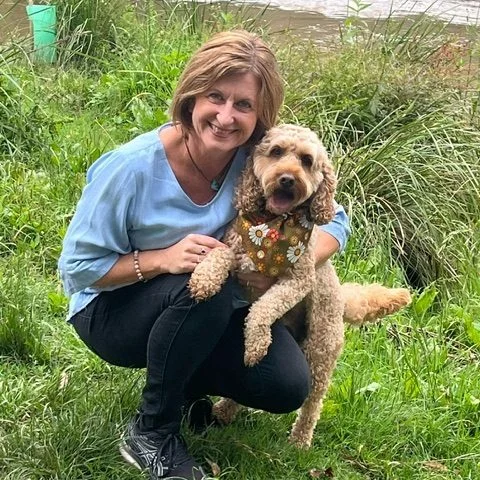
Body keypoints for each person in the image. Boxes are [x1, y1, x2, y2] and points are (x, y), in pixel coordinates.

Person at [58, 30, 350, 480]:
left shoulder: (256, 158)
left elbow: (334, 220)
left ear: (260, 115)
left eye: (244, 104)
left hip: (202, 306)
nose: (226, 117)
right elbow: (78, 269)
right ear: (191, 96)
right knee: (204, 285)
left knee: (285, 383)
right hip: (112, 309)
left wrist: (284, 264)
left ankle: (185, 381)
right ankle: (152, 432)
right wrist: (160, 259)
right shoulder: (131, 168)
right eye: (215, 96)